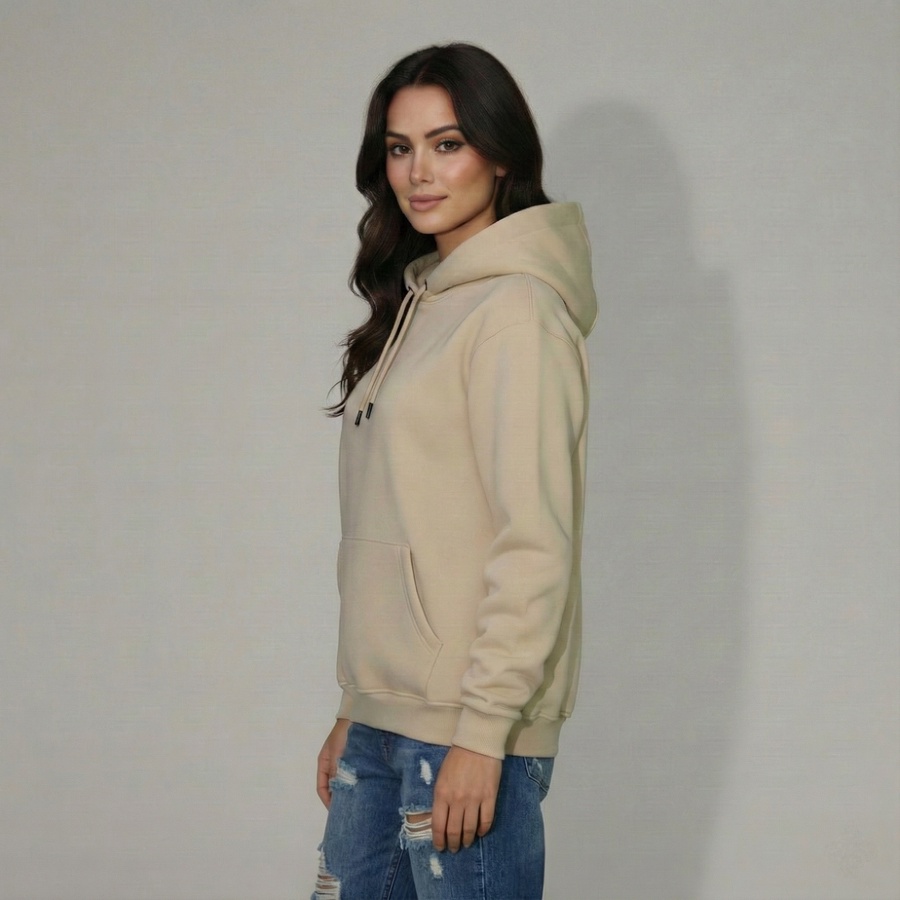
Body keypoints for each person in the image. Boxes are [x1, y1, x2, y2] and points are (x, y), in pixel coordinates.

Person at [313, 42, 596, 900]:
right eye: (400, 148)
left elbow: (535, 540)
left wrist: (483, 732)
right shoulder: (420, 303)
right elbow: (399, 524)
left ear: (500, 154)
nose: (419, 172)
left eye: (447, 144)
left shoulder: (517, 312)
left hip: (468, 730)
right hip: (385, 716)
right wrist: (357, 704)